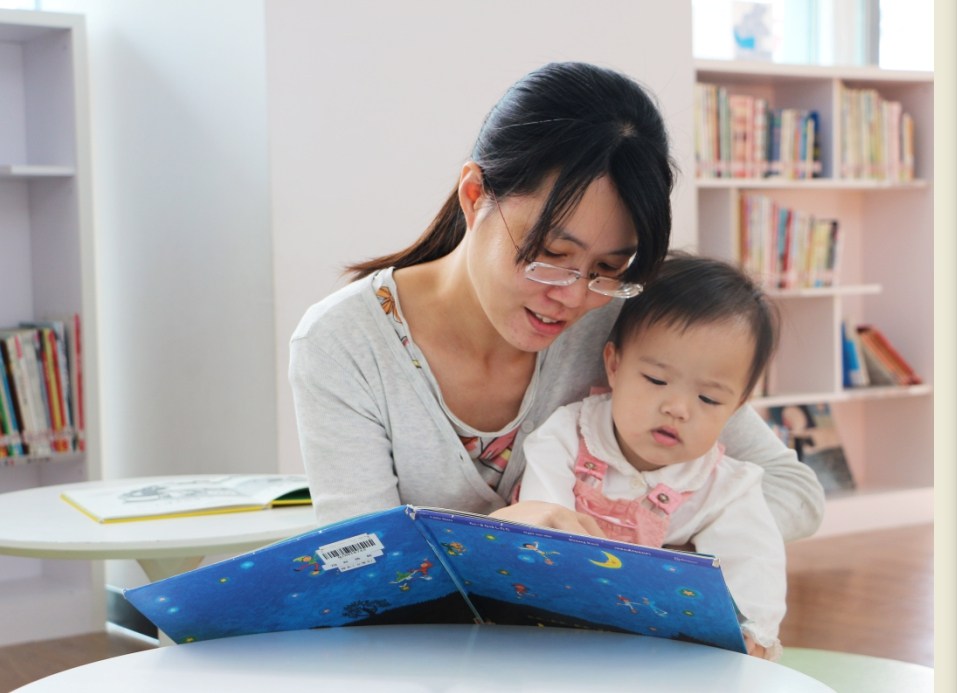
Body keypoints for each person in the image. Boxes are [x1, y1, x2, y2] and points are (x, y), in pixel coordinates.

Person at [288, 61, 824, 542]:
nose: (572, 295)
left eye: (608, 268)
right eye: (549, 252)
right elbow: (356, 558)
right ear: (474, 196)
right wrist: (492, 538)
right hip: (434, 651)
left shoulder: (625, 327)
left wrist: (646, 543)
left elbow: (794, 491)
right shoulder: (345, 343)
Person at [519, 253, 787, 659]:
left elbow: (754, 563)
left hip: (655, 646)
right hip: (548, 627)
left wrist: (755, 631)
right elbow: (544, 525)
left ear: (736, 408)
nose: (678, 408)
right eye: (656, 379)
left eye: (709, 398)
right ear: (613, 364)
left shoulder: (725, 487)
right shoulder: (565, 436)